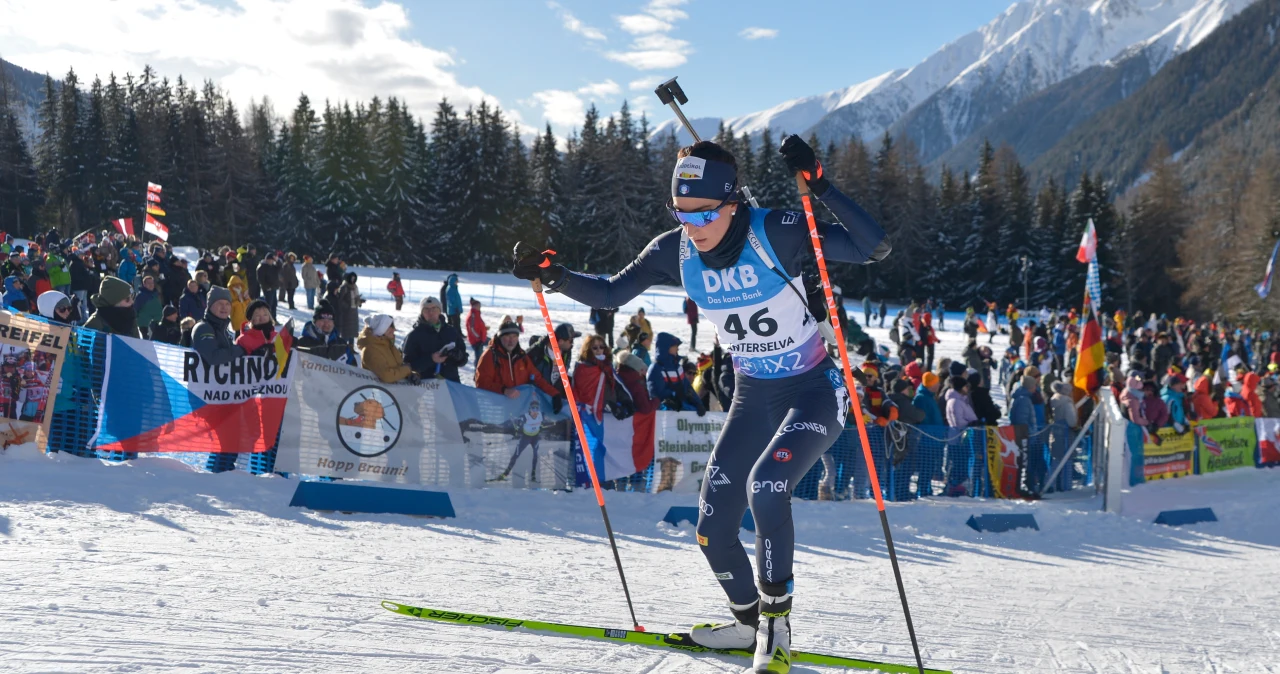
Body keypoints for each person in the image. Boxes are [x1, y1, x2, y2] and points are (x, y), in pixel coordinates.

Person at [511, 134, 888, 670]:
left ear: (733, 203)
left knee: (768, 488)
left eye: (703, 214)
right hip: (754, 394)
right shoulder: (674, 248)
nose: (693, 228)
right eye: (681, 214)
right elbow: (613, 293)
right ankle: (746, 622)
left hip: (811, 390)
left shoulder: (775, 232)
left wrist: (819, 183)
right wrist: (555, 276)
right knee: (712, 529)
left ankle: (777, 629)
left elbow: (873, 246)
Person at [474, 321, 561, 405]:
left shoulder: (521, 356)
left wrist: (554, 394)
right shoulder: (489, 356)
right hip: (497, 407)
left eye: (515, 336)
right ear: (500, 337)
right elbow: (481, 383)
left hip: (519, 407)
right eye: (507, 337)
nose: (511, 341)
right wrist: (504, 390)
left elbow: (537, 378)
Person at [402, 296, 468, 383]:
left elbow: (464, 359)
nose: (430, 312)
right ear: (422, 313)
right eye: (426, 309)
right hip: (427, 387)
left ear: (439, 311)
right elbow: (406, 366)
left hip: (452, 385)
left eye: (434, 308)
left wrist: (458, 356)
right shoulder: (414, 336)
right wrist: (431, 359)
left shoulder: (451, 331)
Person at [646, 332, 705, 415]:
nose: (677, 349)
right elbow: (655, 395)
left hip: (682, 409)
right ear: (666, 347)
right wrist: (673, 397)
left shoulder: (677, 367)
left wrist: (698, 403)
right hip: (665, 415)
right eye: (675, 346)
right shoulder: (656, 368)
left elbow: (688, 388)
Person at [572, 335, 625, 423]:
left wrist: (625, 402)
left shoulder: (607, 366)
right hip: (587, 413)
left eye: (601, 347)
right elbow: (585, 394)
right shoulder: (584, 368)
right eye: (595, 348)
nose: (599, 350)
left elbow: (614, 386)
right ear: (588, 349)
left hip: (602, 410)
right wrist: (608, 404)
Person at [357, 314, 418, 384]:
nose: (394, 329)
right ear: (381, 329)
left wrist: (411, 375)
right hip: (378, 393)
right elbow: (387, 376)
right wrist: (407, 370)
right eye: (391, 326)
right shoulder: (370, 350)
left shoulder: (388, 345)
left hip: (393, 392)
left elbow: (399, 367)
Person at [337, 272, 363, 342]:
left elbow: (356, 297)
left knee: (353, 330)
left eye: (354, 278)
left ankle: (351, 347)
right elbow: (340, 300)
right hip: (346, 312)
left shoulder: (355, 287)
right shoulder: (344, 287)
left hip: (354, 311)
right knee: (346, 330)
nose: (352, 280)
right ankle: (344, 345)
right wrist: (347, 306)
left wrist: (359, 301)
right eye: (351, 278)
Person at [256, 252, 280, 318]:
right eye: (270, 260)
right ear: (266, 260)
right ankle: (268, 318)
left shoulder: (273, 266)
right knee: (269, 304)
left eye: (272, 260)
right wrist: (266, 287)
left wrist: (277, 260)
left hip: (274, 287)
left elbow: (280, 267)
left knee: (274, 304)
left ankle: (273, 318)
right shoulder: (262, 267)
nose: (271, 261)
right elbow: (260, 279)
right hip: (267, 289)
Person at [466, 298, 488, 364]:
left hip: (482, 338)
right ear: (474, 306)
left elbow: (478, 325)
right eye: (478, 306)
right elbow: (472, 329)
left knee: (494, 343)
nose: (480, 307)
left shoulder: (477, 314)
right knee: (479, 359)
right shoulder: (472, 315)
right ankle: (477, 373)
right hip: (477, 341)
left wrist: (484, 328)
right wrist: (478, 339)